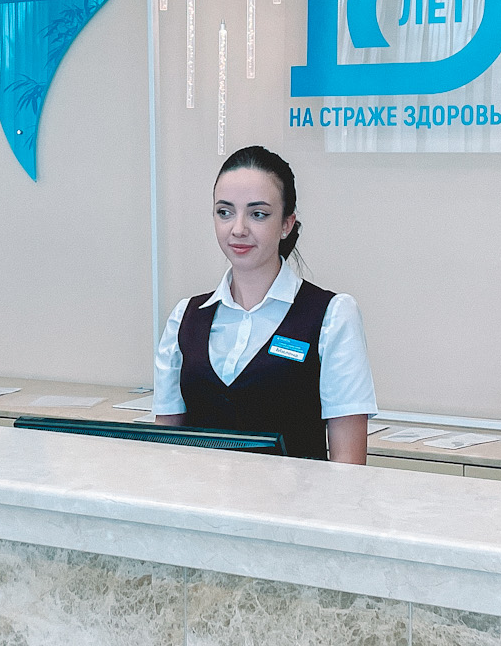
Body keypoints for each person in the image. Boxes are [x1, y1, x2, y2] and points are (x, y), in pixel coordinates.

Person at [153, 145, 376, 462]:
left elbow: (349, 469)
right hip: (200, 495)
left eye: (258, 214)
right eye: (225, 212)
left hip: (297, 496)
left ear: (286, 224)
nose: (238, 229)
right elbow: (165, 453)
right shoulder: (185, 318)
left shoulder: (333, 316)